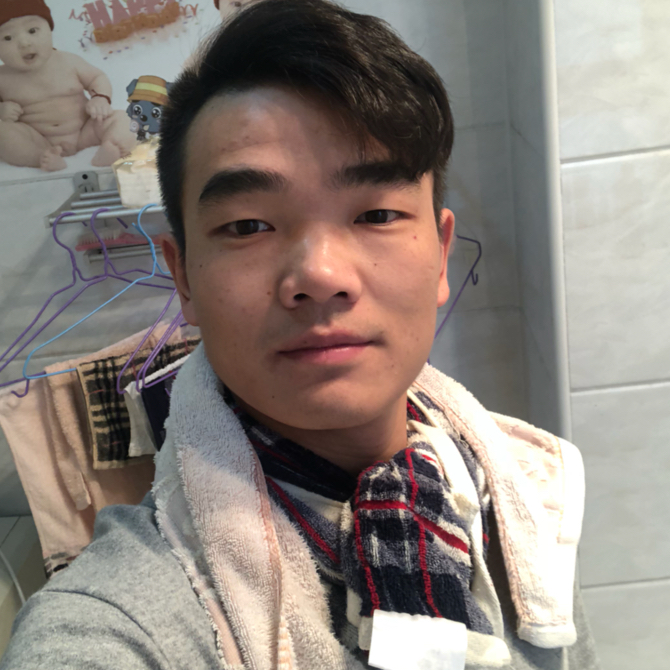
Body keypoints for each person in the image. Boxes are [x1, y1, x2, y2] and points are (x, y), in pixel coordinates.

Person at [0, 1, 601, 669]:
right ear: (184, 276)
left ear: (440, 254)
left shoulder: (528, 503)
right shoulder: (117, 620)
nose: (320, 276)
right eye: (248, 226)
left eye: (376, 214)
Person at [0, 0, 135, 171]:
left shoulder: (68, 61)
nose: (24, 43)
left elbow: (97, 77)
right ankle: (41, 157)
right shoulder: (2, 78)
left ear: (49, 29)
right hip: (38, 139)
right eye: (7, 38)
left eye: (32, 31)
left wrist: (100, 98)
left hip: (86, 130)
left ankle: (113, 147)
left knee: (123, 118)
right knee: (3, 133)